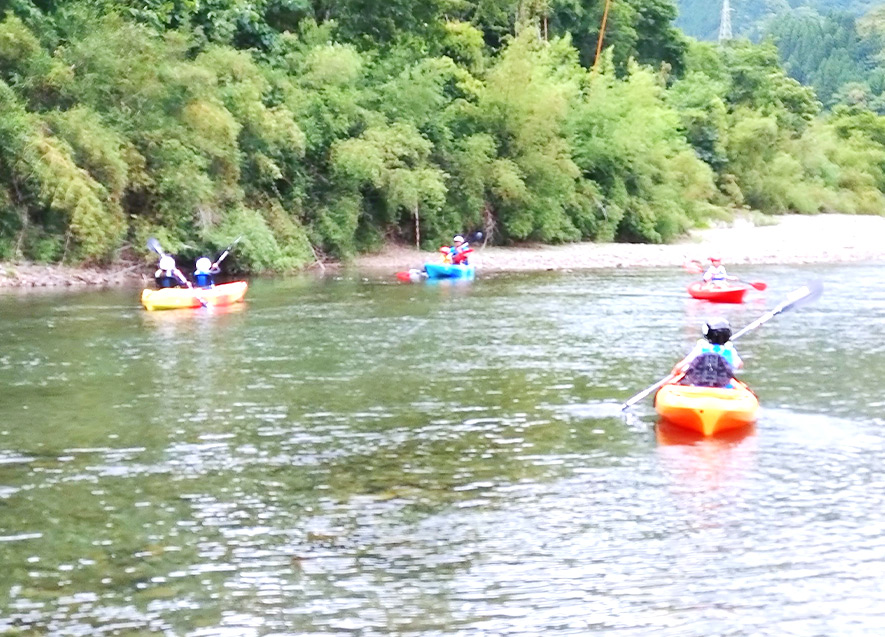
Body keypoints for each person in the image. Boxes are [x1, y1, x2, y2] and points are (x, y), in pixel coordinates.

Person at [672, 318, 743, 388]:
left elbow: (680, 366)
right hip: (724, 387)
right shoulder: (730, 349)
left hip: (698, 386)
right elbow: (739, 365)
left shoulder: (701, 348)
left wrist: (676, 374)